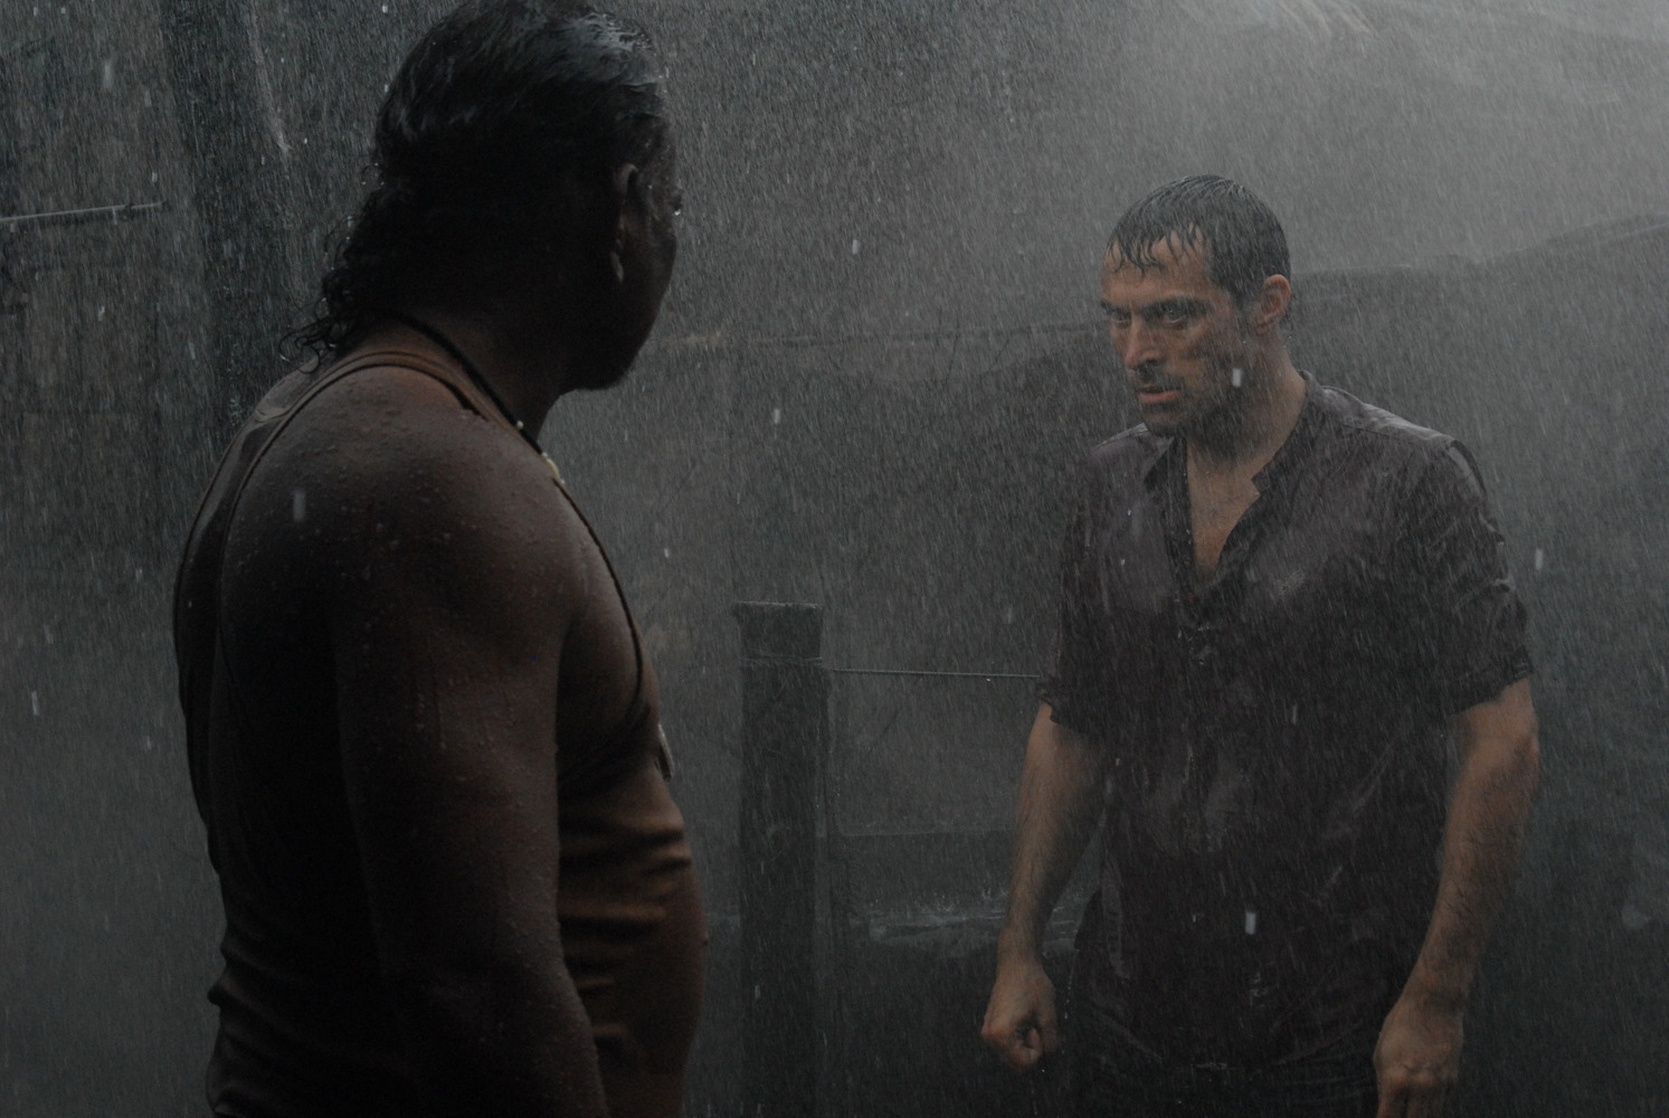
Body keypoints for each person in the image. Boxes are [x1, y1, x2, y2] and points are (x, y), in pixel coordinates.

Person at [172, 4, 701, 1116]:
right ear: (618, 211)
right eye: (671, 203)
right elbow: (475, 988)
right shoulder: (432, 481)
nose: (673, 238)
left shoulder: (311, 427)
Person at [980, 176, 1540, 1117]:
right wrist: (1018, 948)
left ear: (1267, 303)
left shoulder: (1407, 480)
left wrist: (1436, 996)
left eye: (1173, 316)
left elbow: (1503, 746)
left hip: (1331, 1024)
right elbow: (1071, 728)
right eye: (1118, 319)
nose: (1136, 351)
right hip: (1130, 1013)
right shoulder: (1110, 486)